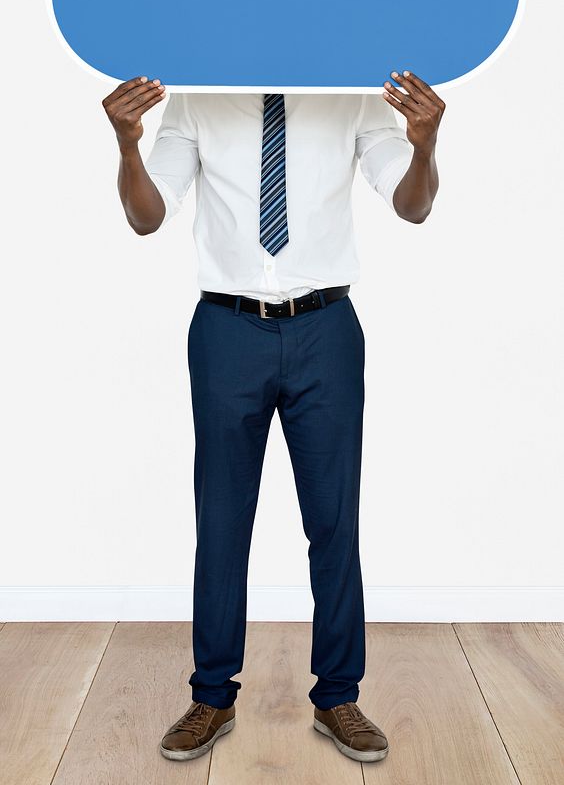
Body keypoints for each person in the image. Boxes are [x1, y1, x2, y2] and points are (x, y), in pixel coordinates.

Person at [102, 73, 444, 764]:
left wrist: (426, 144)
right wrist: (127, 144)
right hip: (227, 330)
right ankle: (211, 695)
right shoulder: (200, 95)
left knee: (333, 520)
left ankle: (339, 696)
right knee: (222, 520)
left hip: (327, 327)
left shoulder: (350, 92)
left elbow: (412, 207)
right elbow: (146, 216)